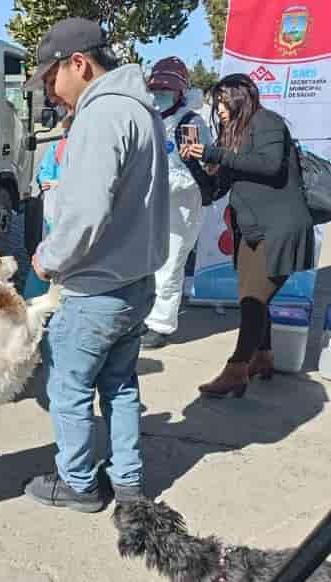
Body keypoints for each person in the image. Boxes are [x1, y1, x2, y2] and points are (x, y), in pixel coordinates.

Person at [21, 17, 169, 512]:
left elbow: (84, 213)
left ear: (78, 63)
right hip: (135, 282)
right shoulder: (142, 111)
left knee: (69, 391)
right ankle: (127, 481)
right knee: (121, 386)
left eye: (50, 77)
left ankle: (79, 484)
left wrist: (47, 258)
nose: (50, 90)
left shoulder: (100, 116)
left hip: (94, 291)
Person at [182, 74, 314, 397]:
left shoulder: (267, 123)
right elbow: (216, 189)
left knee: (255, 299)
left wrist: (215, 154)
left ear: (239, 97)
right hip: (251, 231)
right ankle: (263, 357)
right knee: (253, 299)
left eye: (222, 103)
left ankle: (237, 368)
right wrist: (196, 164)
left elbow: (270, 166)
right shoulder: (232, 134)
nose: (219, 110)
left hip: (279, 228)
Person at [142, 57, 215, 349]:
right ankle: (145, 316)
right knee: (148, 263)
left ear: (180, 92)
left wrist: (157, 184)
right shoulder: (152, 118)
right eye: (157, 89)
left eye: (166, 90)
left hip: (182, 205)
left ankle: (161, 325)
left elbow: (195, 171)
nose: (160, 95)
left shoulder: (190, 123)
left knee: (170, 265)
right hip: (152, 205)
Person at [23, 112, 73, 300]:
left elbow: (44, 175)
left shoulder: (57, 147)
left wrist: (54, 183)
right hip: (57, 214)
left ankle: (35, 299)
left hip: (52, 215)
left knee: (47, 250)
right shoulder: (63, 148)